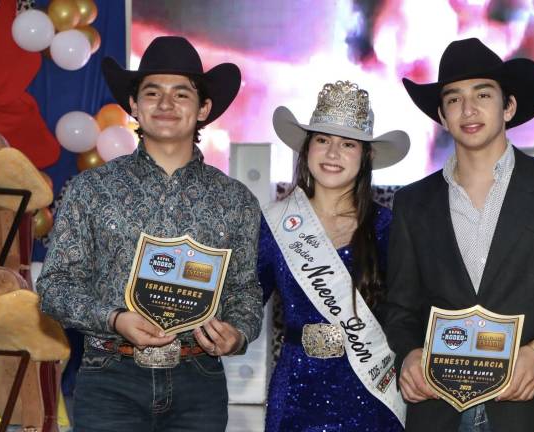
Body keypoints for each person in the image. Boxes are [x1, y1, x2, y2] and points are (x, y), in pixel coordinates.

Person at [384, 38, 534, 432]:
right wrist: (409, 354)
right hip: (440, 410)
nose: (468, 109)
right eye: (453, 99)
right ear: (442, 117)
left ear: (508, 107)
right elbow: (399, 308)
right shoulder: (413, 203)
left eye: (483, 94)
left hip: (533, 409)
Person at [37, 36, 262, 432]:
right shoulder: (91, 190)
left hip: (199, 380)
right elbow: (54, 288)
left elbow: (245, 291)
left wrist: (238, 334)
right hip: (110, 378)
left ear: (204, 108)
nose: (166, 104)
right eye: (152, 92)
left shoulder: (235, 200)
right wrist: (114, 319)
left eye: (181, 94)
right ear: (134, 106)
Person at [258, 80, 410, 431]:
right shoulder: (276, 223)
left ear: (366, 155)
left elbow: (409, 310)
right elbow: (247, 300)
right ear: (307, 148)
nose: (332, 153)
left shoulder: (388, 228)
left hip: (371, 393)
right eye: (322, 140)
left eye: (347, 144)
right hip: (296, 393)